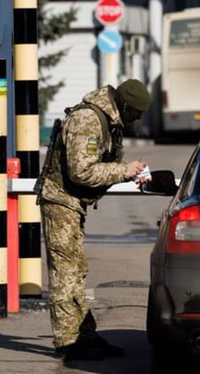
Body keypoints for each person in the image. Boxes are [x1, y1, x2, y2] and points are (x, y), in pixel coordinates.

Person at [37, 79, 152, 361]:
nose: (135, 120)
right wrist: (122, 171)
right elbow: (81, 172)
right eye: (135, 114)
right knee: (65, 273)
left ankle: (84, 336)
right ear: (124, 106)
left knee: (77, 270)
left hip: (72, 203)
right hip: (60, 200)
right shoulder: (88, 119)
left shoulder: (105, 120)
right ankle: (68, 341)